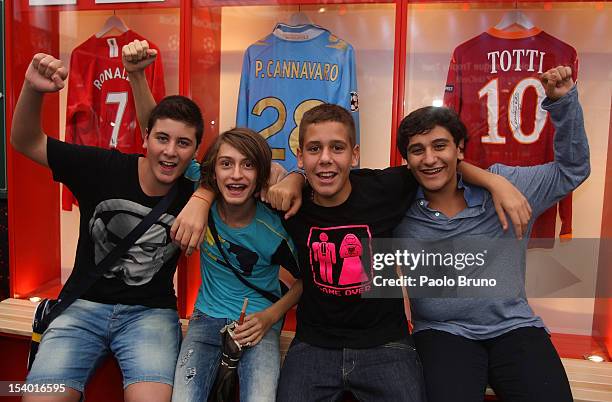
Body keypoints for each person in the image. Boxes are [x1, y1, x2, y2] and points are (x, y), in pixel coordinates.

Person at [173, 99, 533, 400]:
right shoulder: (285, 202)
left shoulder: (386, 188)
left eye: (337, 148)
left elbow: (437, 163)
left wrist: (493, 180)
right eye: (314, 149)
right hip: (315, 344)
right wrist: (202, 198)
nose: (326, 159)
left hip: (385, 344)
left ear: (354, 154)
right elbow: (221, 178)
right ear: (301, 157)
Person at [12, 54, 204, 402]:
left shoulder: (196, 188)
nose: (170, 151)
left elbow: (254, 177)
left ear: (195, 151)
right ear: (146, 136)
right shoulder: (102, 167)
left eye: (183, 143)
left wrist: (205, 197)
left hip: (151, 315)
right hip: (81, 308)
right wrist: (33, 89)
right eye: (162, 138)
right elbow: (25, 141)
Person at [393, 66, 588, 402]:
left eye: (440, 146)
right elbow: (336, 184)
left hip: (515, 327)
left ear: (460, 149)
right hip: (442, 333)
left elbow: (573, 170)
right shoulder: (394, 202)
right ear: (406, 160)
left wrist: (564, 104)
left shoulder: (510, 187)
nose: (429, 159)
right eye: (417, 150)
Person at [171, 127, 302, 402]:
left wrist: (270, 317)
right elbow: (160, 131)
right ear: (213, 172)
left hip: (259, 323)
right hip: (206, 317)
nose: (236, 174)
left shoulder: (274, 228)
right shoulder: (201, 189)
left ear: (261, 175)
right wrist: (137, 80)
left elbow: (307, 281)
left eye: (248, 165)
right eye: (226, 164)